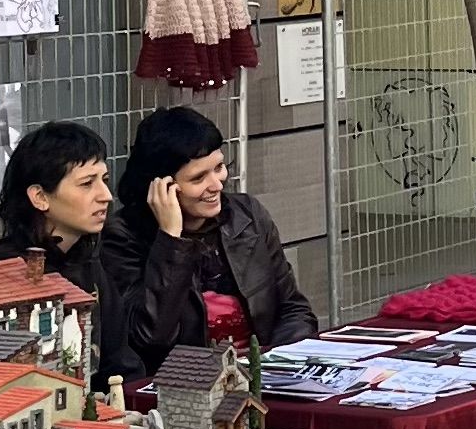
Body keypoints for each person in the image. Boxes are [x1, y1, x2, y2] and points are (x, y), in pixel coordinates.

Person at [96, 105, 319, 384]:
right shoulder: (123, 237)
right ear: (160, 185)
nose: (216, 185)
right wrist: (170, 240)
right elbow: (149, 337)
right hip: (185, 389)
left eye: (219, 168)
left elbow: (294, 309)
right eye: (198, 178)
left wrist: (272, 367)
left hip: (265, 377)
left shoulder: (247, 215)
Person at [0, 120, 112, 297]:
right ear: (40, 197)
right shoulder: (2, 274)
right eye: (87, 183)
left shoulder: (86, 260)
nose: (105, 195)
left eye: (105, 180)